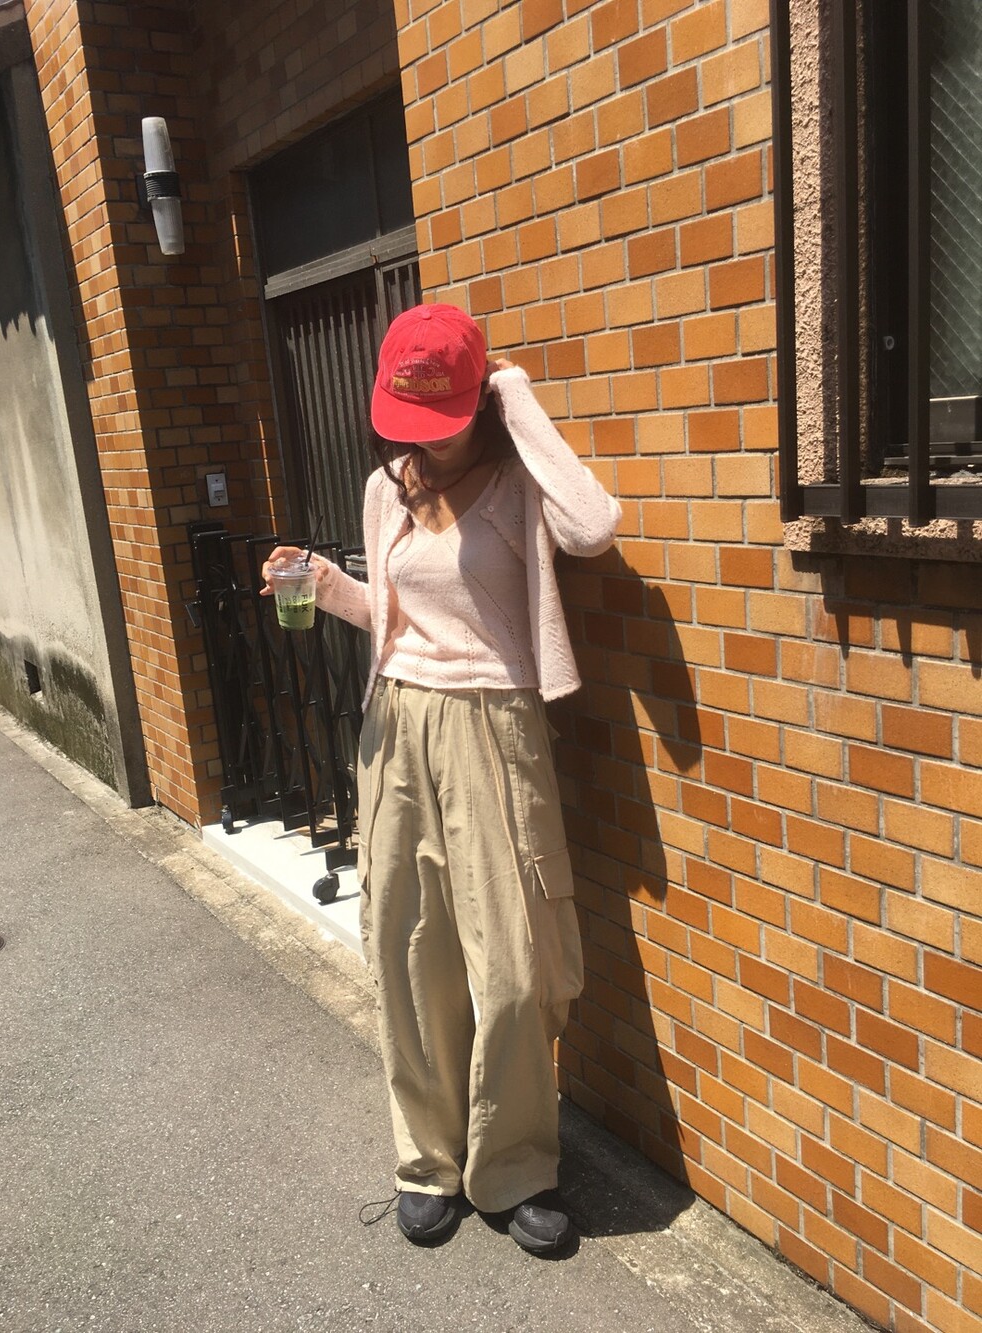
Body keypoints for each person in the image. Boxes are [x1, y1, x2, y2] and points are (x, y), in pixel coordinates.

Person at [261, 303, 621, 1254]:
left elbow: (594, 526)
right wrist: (322, 582)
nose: (422, 437)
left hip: (494, 725)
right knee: (408, 945)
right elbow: (393, 614)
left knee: (512, 961)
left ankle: (515, 1165)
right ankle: (427, 1157)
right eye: (407, 417)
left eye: (442, 414)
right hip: (395, 724)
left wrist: (515, 393)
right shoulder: (386, 489)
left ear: (476, 396)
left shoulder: (516, 482)